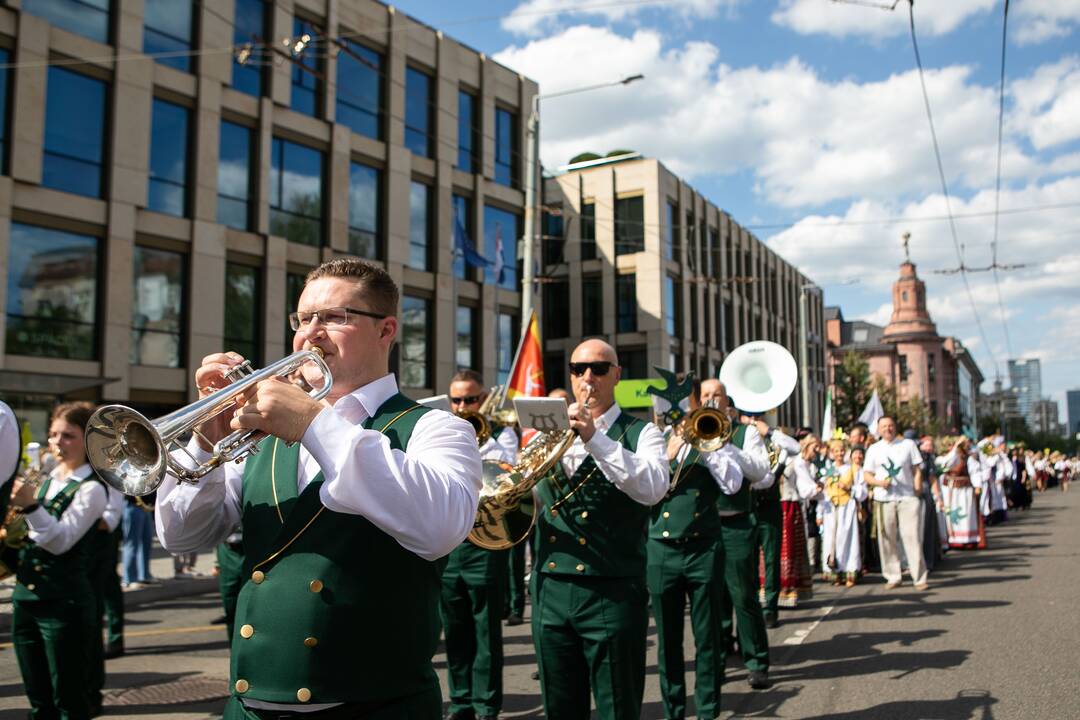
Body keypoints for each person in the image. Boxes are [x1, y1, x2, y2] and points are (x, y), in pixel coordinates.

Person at [155, 258, 481, 718]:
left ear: (386, 330)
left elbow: (441, 526)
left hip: (376, 708)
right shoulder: (258, 437)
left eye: (334, 317)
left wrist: (312, 422)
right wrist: (204, 436)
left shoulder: (436, 427)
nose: (311, 332)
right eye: (303, 318)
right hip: (248, 708)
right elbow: (181, 536)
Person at [531, 339, 668, 720]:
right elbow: (537, 502)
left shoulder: (642, 434)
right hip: (551, 588)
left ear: (617, 375)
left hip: (611, 588)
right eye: (578, 369)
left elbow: (653, 487)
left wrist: (595, 438)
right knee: (559, 707)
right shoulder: (550, 432)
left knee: (617, 707)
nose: (587, 377)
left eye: (598, 368)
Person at [648, 377, 743, 720]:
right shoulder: (653, 440)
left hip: (704, 549)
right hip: (662, 550)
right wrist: (664, 457)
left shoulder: (716, 438)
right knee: (668, 641)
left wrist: (709, 446)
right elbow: (641, 492)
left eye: (684, 405)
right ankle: (673, 711)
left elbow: (732, 484)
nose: (678, 412)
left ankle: (707, 710)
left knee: (707, 637)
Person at [10, 401, 108, 719]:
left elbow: (61, 541)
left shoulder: (93, 489)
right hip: (26, 597)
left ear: (87, 440)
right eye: (53, 435)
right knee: (38, 700)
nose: (57, 443)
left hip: (64, 603)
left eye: (68, 436)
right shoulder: (45, 479)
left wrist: (30, 507)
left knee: (69, 699)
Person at [442, 369, 518, 720]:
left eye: (470, 400)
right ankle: (460, 703)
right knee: (455, 630)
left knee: (486, 631)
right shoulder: (442, 431)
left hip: (485, 544)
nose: (462, 406)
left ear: (484, 399)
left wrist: (478, 437)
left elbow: (509, 473)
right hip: (450, 544)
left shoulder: (503, 435)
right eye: (456, 400)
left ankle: (486, 706)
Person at [704, 379, 772, 690]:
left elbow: (760, 472)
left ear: (726, 399)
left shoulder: (745, 433)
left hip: (737, 523)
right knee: (712, 599)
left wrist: (729, 444)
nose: (709, 399)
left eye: (715, 394)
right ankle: (717, 660)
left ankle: (756, 660)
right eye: (704, 394)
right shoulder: (694, 429)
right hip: (704, 526)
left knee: (743, 595)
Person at [863, 417, 927, 590]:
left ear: (895, 427)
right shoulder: (874, 449)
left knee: (912, 537)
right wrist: (879, 483)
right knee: (887, 539)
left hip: (907, 497)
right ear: (878, 429)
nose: (888, 429)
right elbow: (867, 474)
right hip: (884, 499)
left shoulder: (907, 445)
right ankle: (893, 576)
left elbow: (917, 469)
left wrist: (917, 488)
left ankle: (919, 578)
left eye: (890, 425)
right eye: (884, 426)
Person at [749, 418, 798, 628]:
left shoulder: (775, 446)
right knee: (746, 561)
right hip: (747, 507)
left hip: (769, 507)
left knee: (771, 560)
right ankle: (750, 609)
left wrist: (768, 431)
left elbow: (795, 447)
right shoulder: (739, 441)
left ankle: (770, 608)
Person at [776, 433, 818, 608]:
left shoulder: (796, 461)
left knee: (792, 549)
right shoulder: (783, 459)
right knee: (778, 549)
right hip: (779, 505)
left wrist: (818, 488)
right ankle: (776, 588)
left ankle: (789, 589)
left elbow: (804, 488)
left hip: (791, 505)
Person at [817, 439, 865, 587]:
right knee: (832, 539)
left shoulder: (853, 469)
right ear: (831, 453)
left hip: (847, 508)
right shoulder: (827, 471)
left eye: (842, 450)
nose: (839, 453)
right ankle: (835, 572)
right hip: (830, 509)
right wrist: (819, 513)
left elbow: (862, 491)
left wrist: (848, 488)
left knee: (847, 539)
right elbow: (822, 493)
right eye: (836, 451)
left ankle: (849, 572)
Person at [936, 437, 985, 550]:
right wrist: (954, 450)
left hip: (964, 491)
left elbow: (975, 471)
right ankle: (952, 539)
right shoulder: (942, 458)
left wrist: (978, 486)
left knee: (965, 513)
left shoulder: (968, 458)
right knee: (950, 515)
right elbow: (946, 464)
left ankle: (967, 539)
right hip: (948, 490)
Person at [121, 492, 154, 589]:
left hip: (146, 506)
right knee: (132, 544)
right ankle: (129, 579)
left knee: (146, 543)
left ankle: (144, 575)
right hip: (132, 504)